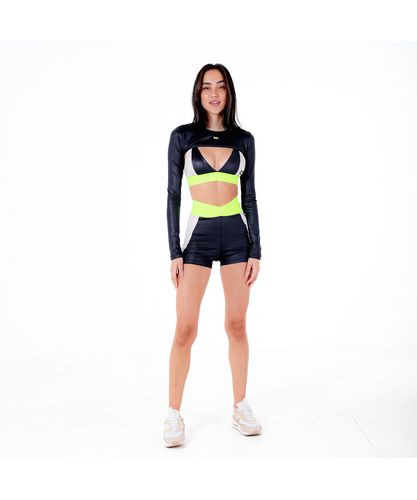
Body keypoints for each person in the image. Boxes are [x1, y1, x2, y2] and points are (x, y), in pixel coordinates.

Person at [164, 63, 262, 447]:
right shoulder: (182, 137)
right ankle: (173, 414)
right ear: (199, 93)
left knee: (236, 325)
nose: (214, 93)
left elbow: (250, 195)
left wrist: (257, 249)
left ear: (229, 92)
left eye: (220, 86)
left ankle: (240, 406)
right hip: (199, 237)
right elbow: (173, 195)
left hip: (237, 236)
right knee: (185, 328)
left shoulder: (244, 139)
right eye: (207, 87)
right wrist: (175, 251)